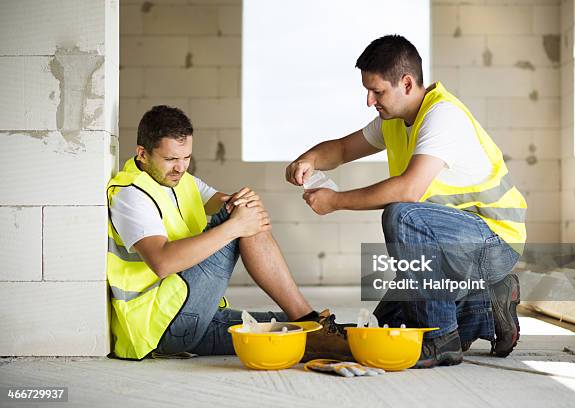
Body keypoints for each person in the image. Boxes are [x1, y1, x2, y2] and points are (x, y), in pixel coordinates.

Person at [286, 35, 527, 368]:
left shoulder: (442, 116)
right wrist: (308, 159)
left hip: (494, 242)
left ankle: (442, 340)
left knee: (402, 215)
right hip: (451, 247)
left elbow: (408, 190)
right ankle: (488, 308)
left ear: (407, 83)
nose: (370, 101)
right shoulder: (394, 120)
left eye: (377, 92)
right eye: (367, 91)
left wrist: (336, 201)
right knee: (385, 329)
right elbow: (341, 149)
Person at [106, 105, 350, 361]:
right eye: (170, 160)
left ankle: (322, 330)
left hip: (192, 321)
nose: (180, 168)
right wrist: (237, 224)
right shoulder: (131, 193)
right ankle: (310, 320)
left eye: (186, 157)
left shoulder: (181, 181)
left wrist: (246, 200)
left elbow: (224, 201)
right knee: (241, 217)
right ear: (142, 154)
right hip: (161, 323)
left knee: (293, 331)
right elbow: (162, 262)